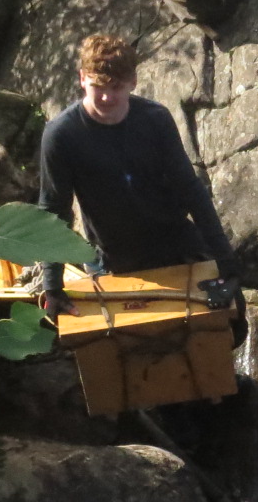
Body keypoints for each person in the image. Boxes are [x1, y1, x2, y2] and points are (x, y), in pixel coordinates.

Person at [34, 34, 237, 314]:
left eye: (116, 87)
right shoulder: (61, 135)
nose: (106, 97)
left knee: (231, 316)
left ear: (133, 82)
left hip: (174, 242)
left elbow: (190, 189)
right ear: (82, 79)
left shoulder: (155, 119)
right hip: (112, 257)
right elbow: (54, 212)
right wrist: (52, 286)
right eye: (97, 87)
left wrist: (225, 260)